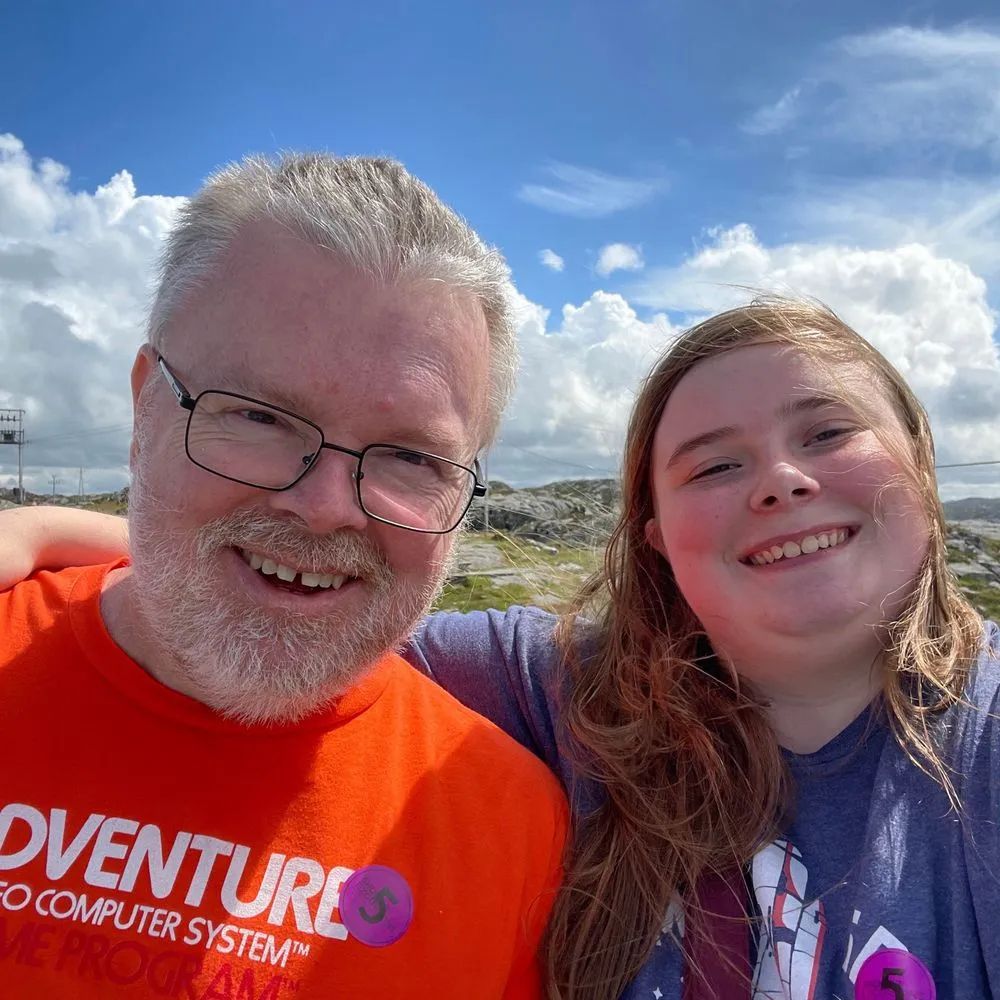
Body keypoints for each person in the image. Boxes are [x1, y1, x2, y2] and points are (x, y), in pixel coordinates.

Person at [6, 299, 999, 1000]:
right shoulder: (563, 683)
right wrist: (44, 531)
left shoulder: (981, 746)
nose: (779, 480)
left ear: (917, 462)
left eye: (827, 433)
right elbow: (334, 597)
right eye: (715, 463)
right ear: (652, 528)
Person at [0, 153, 568, 999]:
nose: (325, 505)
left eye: (411, 457)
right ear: (145, 402)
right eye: (260, 416)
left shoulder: (514, 824)